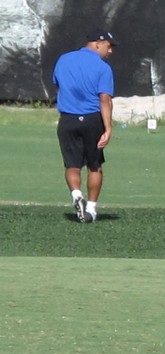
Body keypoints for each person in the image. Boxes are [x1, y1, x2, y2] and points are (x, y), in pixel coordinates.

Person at [53, 28, 118, 223]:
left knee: (72, 165)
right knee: (94, 165)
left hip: (68, 119)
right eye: (109, 46)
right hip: (92, 119)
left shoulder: (63, 59)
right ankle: (91, 209)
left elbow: (58, 85)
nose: (110, 51)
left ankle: (76, 195)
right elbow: (105, 99)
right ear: (98, 43)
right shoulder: (103, 68)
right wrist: (108, 128)